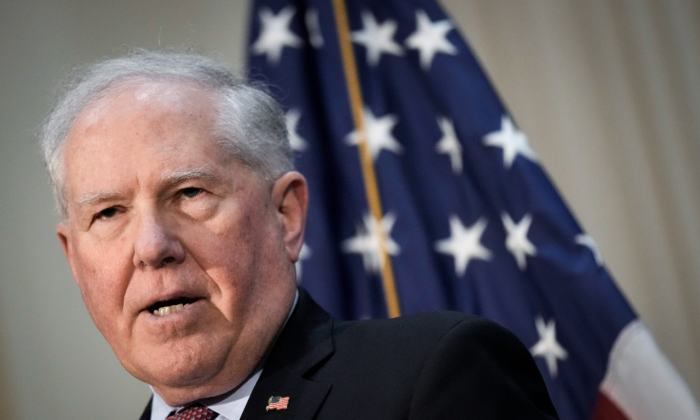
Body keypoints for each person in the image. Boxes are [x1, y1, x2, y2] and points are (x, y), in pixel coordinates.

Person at [41, 50, 559, 420]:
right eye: (108, 213)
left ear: (286, 214)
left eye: (190, 193)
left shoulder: (433, 375)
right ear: (73, 260)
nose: (153, 247)